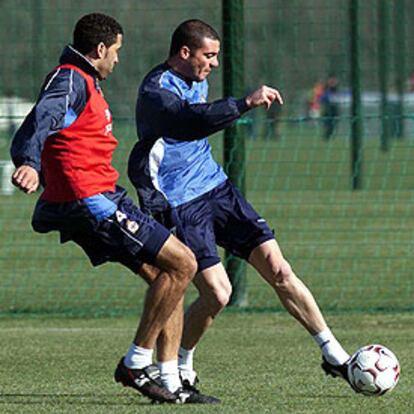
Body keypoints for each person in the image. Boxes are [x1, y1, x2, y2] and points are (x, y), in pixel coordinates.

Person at [128, 18, 354, 397]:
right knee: (218, 294)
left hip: (216, 188)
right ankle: (181, 366)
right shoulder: (156, 91)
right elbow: (190, 122)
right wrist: (244, 102)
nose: (214, 64)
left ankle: (335, 354)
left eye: (216, 56)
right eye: (208, 55)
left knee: (279, 268)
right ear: (185, 53)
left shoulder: (198, 76)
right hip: (178, 202)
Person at [10, 13, 218, 405]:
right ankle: (135, 363)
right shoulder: (70, 78)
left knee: (168, 276)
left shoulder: (84, 81)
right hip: (90, 200)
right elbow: (41, 119)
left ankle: (171, 381)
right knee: (184, 263)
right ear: (100, 49)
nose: (118, 60)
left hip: (103, 195)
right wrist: (28, 162)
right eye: (117, 51)